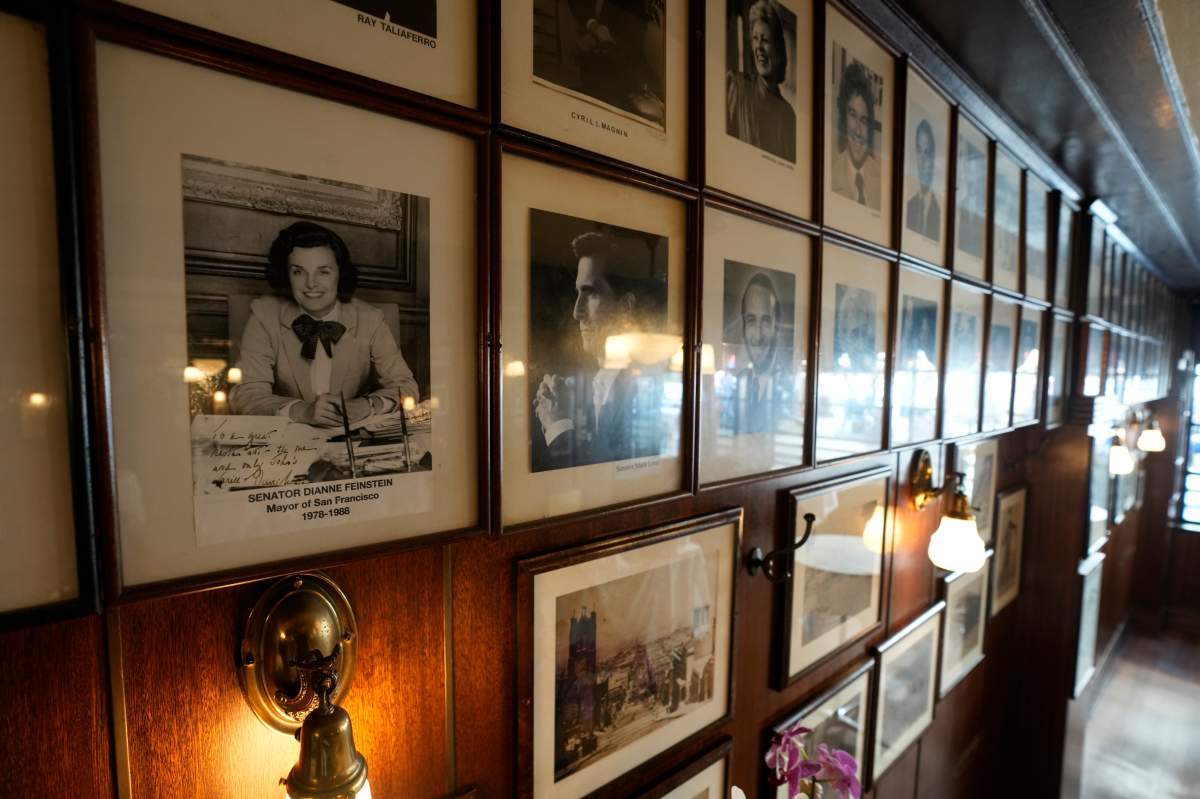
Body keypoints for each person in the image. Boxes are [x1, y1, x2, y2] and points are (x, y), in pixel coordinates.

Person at [229, 221, 419, 427]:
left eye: (324, 271)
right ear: (286, 275)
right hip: (288, 439)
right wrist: (301, 411)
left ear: (340, 274)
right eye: (298, 272)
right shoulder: (264, 314)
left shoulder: (370, 318)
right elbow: (246, 394)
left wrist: (366, 406)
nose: (311, 283)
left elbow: (405, 387)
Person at [531, 231, 662, 470]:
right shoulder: (588, 386)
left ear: (625, 308)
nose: (576, 312)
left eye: (590, 292)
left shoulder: (645, 389)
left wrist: (558, 426)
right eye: (577, 293)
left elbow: (609, 480)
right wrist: (558, 413)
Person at [726, 0, 796, 162]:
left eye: (765, 40)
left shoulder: (787, 115)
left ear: (778, 48)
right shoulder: (736, 86)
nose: (759, 47)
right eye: (755, 38)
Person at [734, 272, 791, 434]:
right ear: (743, 327)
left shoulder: (789, 386)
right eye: (751, 321)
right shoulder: (739, 381)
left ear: (776, 326)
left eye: (765, 321)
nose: (758, 336)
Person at [830, 60, 881, 210]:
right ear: (843, 119)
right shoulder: (831, 176)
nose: (858, 131)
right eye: (852, 115)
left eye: (864, 120)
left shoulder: (882, 181)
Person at [905, 119, 940, 239]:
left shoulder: (939, 212)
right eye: (919, 151)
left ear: (933, 156)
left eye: (927, 152)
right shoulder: (908, 206)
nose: (923, 159)